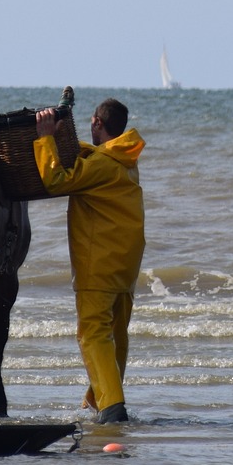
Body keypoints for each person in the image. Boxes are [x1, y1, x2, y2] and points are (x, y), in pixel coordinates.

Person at [33, 97, 145, 424]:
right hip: (125, 267)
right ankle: (97, 403)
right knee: (116, 336)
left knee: (93, 334)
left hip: (99, 267)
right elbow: (91, 156)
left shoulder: (101, 166)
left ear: (97, 123)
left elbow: (56, 180)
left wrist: (43, 140)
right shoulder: (124, 160)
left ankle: (111, 408)